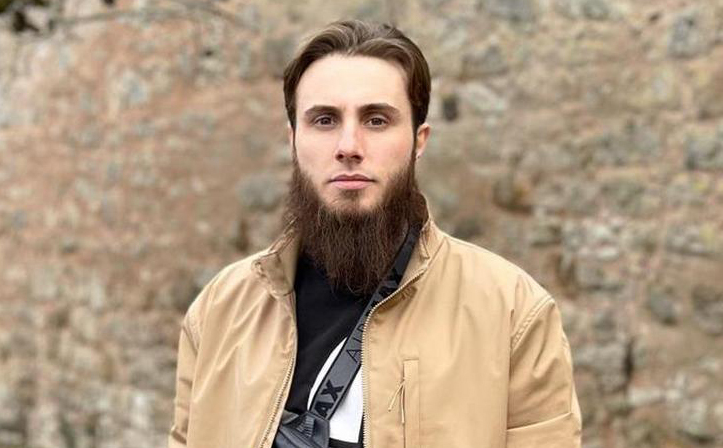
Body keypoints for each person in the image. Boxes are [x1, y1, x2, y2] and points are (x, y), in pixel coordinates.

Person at [168, 19, 582, 448]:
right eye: (324, 120)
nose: (349, 146)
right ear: (293, 141)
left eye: (377, 120)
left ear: (419, 140)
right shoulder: (218, 312)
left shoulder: (513, 313)